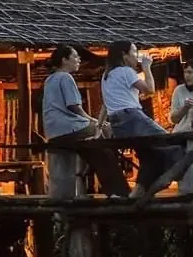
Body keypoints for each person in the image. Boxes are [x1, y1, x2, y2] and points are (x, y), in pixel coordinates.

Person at [103, 41, 192, 202]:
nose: (136, 56)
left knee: (150, 157)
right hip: (132, 117)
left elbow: (106, 103)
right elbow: (150, 89)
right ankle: (178, 175)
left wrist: (100, 123)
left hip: (118, 123)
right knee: (169, 141)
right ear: (124, 55)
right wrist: (146, 67)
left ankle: (137, 193)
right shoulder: (126, 71)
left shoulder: (107, 75)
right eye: (134, 52)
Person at [41, 44, 129, 197]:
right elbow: (74, 106)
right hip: (70, 128)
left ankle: (85, 174)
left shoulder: (49, 80)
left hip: (53, 132)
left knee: (95, 145)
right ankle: (118, 192)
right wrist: (94, 121)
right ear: (64, 60)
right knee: (104, 138)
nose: (78, 59)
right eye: (75, 56)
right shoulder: (65, 77)